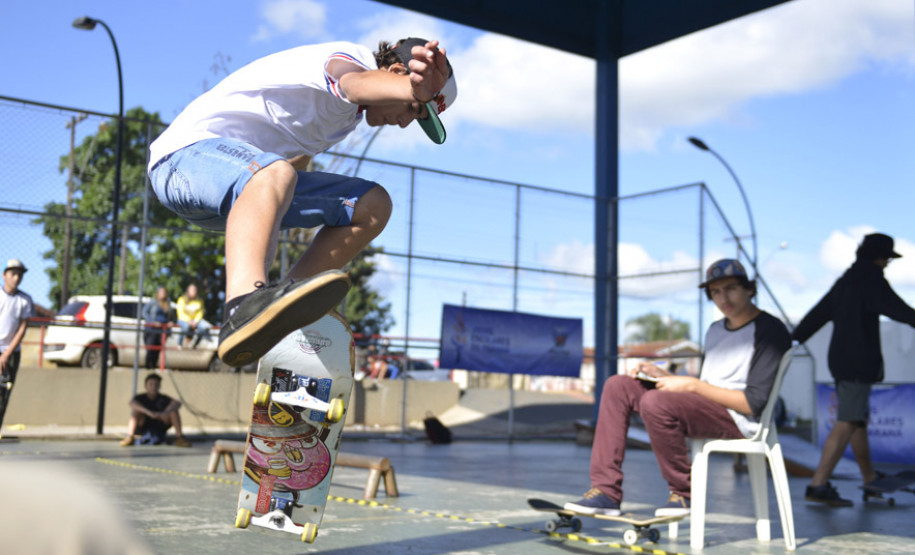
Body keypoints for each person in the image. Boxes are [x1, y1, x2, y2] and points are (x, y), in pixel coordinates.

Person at [147, 38, 457, 367]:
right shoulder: (352, 59)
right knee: (273, 174)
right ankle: (242, 307)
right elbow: (353, 83)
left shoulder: (346, 119)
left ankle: (279, 312)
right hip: (183, 162)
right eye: (413, 109)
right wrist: (411, 90)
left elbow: (297, 159)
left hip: (235, 197)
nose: (407, 122)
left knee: (373, 205)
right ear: (396, 72)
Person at [565, 259, 790, 517]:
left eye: (730, 288)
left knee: (655, 403)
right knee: (618, 386)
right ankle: (606, 492)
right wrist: (664, 376)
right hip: (706, 408)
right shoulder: (715, 330)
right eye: (715, 292)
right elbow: (711, 382)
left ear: (749, 289)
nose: (723, 297)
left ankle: (685, 493)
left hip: (740, 419)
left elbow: (753, 403)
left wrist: (692, 386)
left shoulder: (770, 331)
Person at [792, 232, 915, 507]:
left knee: (857, 419)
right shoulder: (871, 280)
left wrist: (795, 337)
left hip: (840, 360)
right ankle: (818, 484)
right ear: (879, 257)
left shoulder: (846, 281)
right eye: (886, 259)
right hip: (859, 362)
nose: (887, 264)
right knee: (848, 420)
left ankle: (870, 477)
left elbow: (818, 314)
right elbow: (898, 308)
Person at [0, 259, 33, 431]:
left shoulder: (25, 300)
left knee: (4, 392)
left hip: (11, 353)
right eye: (13, 274)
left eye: (19, 275)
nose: (16, 278)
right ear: (4, 275)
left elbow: (22, 329)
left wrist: (6, 354)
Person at [120, 373, 191, 447]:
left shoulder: (163, 398)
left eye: (156, 384)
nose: (153, 387)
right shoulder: (140, 397)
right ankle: (130, 437)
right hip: (144, 424)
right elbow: (132, 403)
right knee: (135, 412)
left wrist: (163, 413)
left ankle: (180, 438)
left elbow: (177, 403)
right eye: (151, 384)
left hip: (160, 423)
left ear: (159, 386)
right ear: (145, 386)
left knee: (173, 412)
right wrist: (149, 412)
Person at [142, 286, 173, 369]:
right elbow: (144, 312)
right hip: (152, 329)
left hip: (162, 330)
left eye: (164, 292)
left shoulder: (168, 303)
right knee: (150, 348)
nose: (163, 294)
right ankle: (148, 366)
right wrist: (152, 322)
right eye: (161, 292)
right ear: (158, 293)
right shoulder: (152, 302)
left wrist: (169, 322)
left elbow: (170, 316)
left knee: (158, 350)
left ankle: (153, 367)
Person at [175, 284, 212, 349]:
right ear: (188, 291)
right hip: (183, 320)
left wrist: (196, 321)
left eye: (194, 290)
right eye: (192, 290)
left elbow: (200, 312)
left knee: (204, 328)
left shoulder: (199, 301)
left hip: (195, 320)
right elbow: (180, 313)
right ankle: (179, 343)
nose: (193, 292)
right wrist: (189, 320)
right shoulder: (182, 299)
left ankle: (194, 345)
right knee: (186, 327)